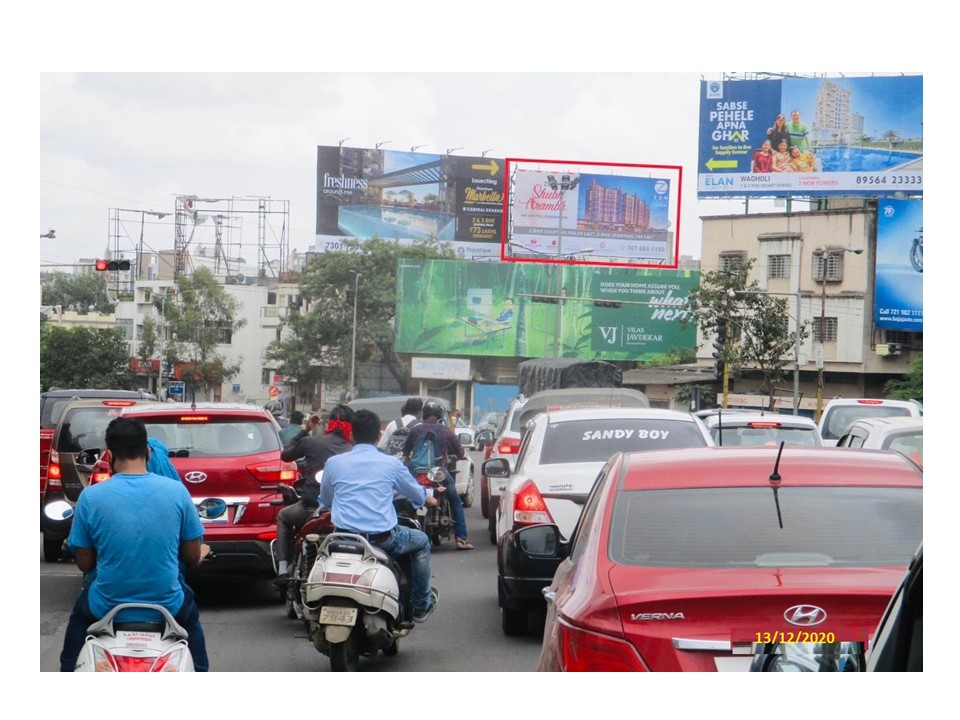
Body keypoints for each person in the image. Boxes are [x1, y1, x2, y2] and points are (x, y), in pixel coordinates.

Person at [58, 417, 210, 672]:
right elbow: (191, 557)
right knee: (192, 627)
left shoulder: (91, 497)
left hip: (104, 605)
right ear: (148, 452)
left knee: (75, 634)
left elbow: (84, 563)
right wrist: (202, 552)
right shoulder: (177, 492)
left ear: (110, 455)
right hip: (169, 604)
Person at [320, 409, 440, 623]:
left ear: (351, 435)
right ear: (378, 436)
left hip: (342, 539)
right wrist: (427, 499)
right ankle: (421, 604)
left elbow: (327, 499)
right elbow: (415, 492)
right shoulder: (391, 464)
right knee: (422, 541)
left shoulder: (334, 463)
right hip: (382, 540)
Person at [274, 405, 354, 586]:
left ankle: (283, 570)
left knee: (283, 516)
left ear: (328, 423)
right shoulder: (353, 450)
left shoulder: (311, 442)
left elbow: (285, 455)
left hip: (310, 509)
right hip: (344, 513)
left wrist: (305, 430)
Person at [402, 401, 474, 550]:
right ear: (440, 415)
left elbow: (405, 452)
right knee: (455, 501)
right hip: (438, 473)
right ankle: (461, 539)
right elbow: (460, 452)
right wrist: (461, 456)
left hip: (418, 473)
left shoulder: (415, 430)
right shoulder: (445, 430)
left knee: (406, 499)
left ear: (424, 414)